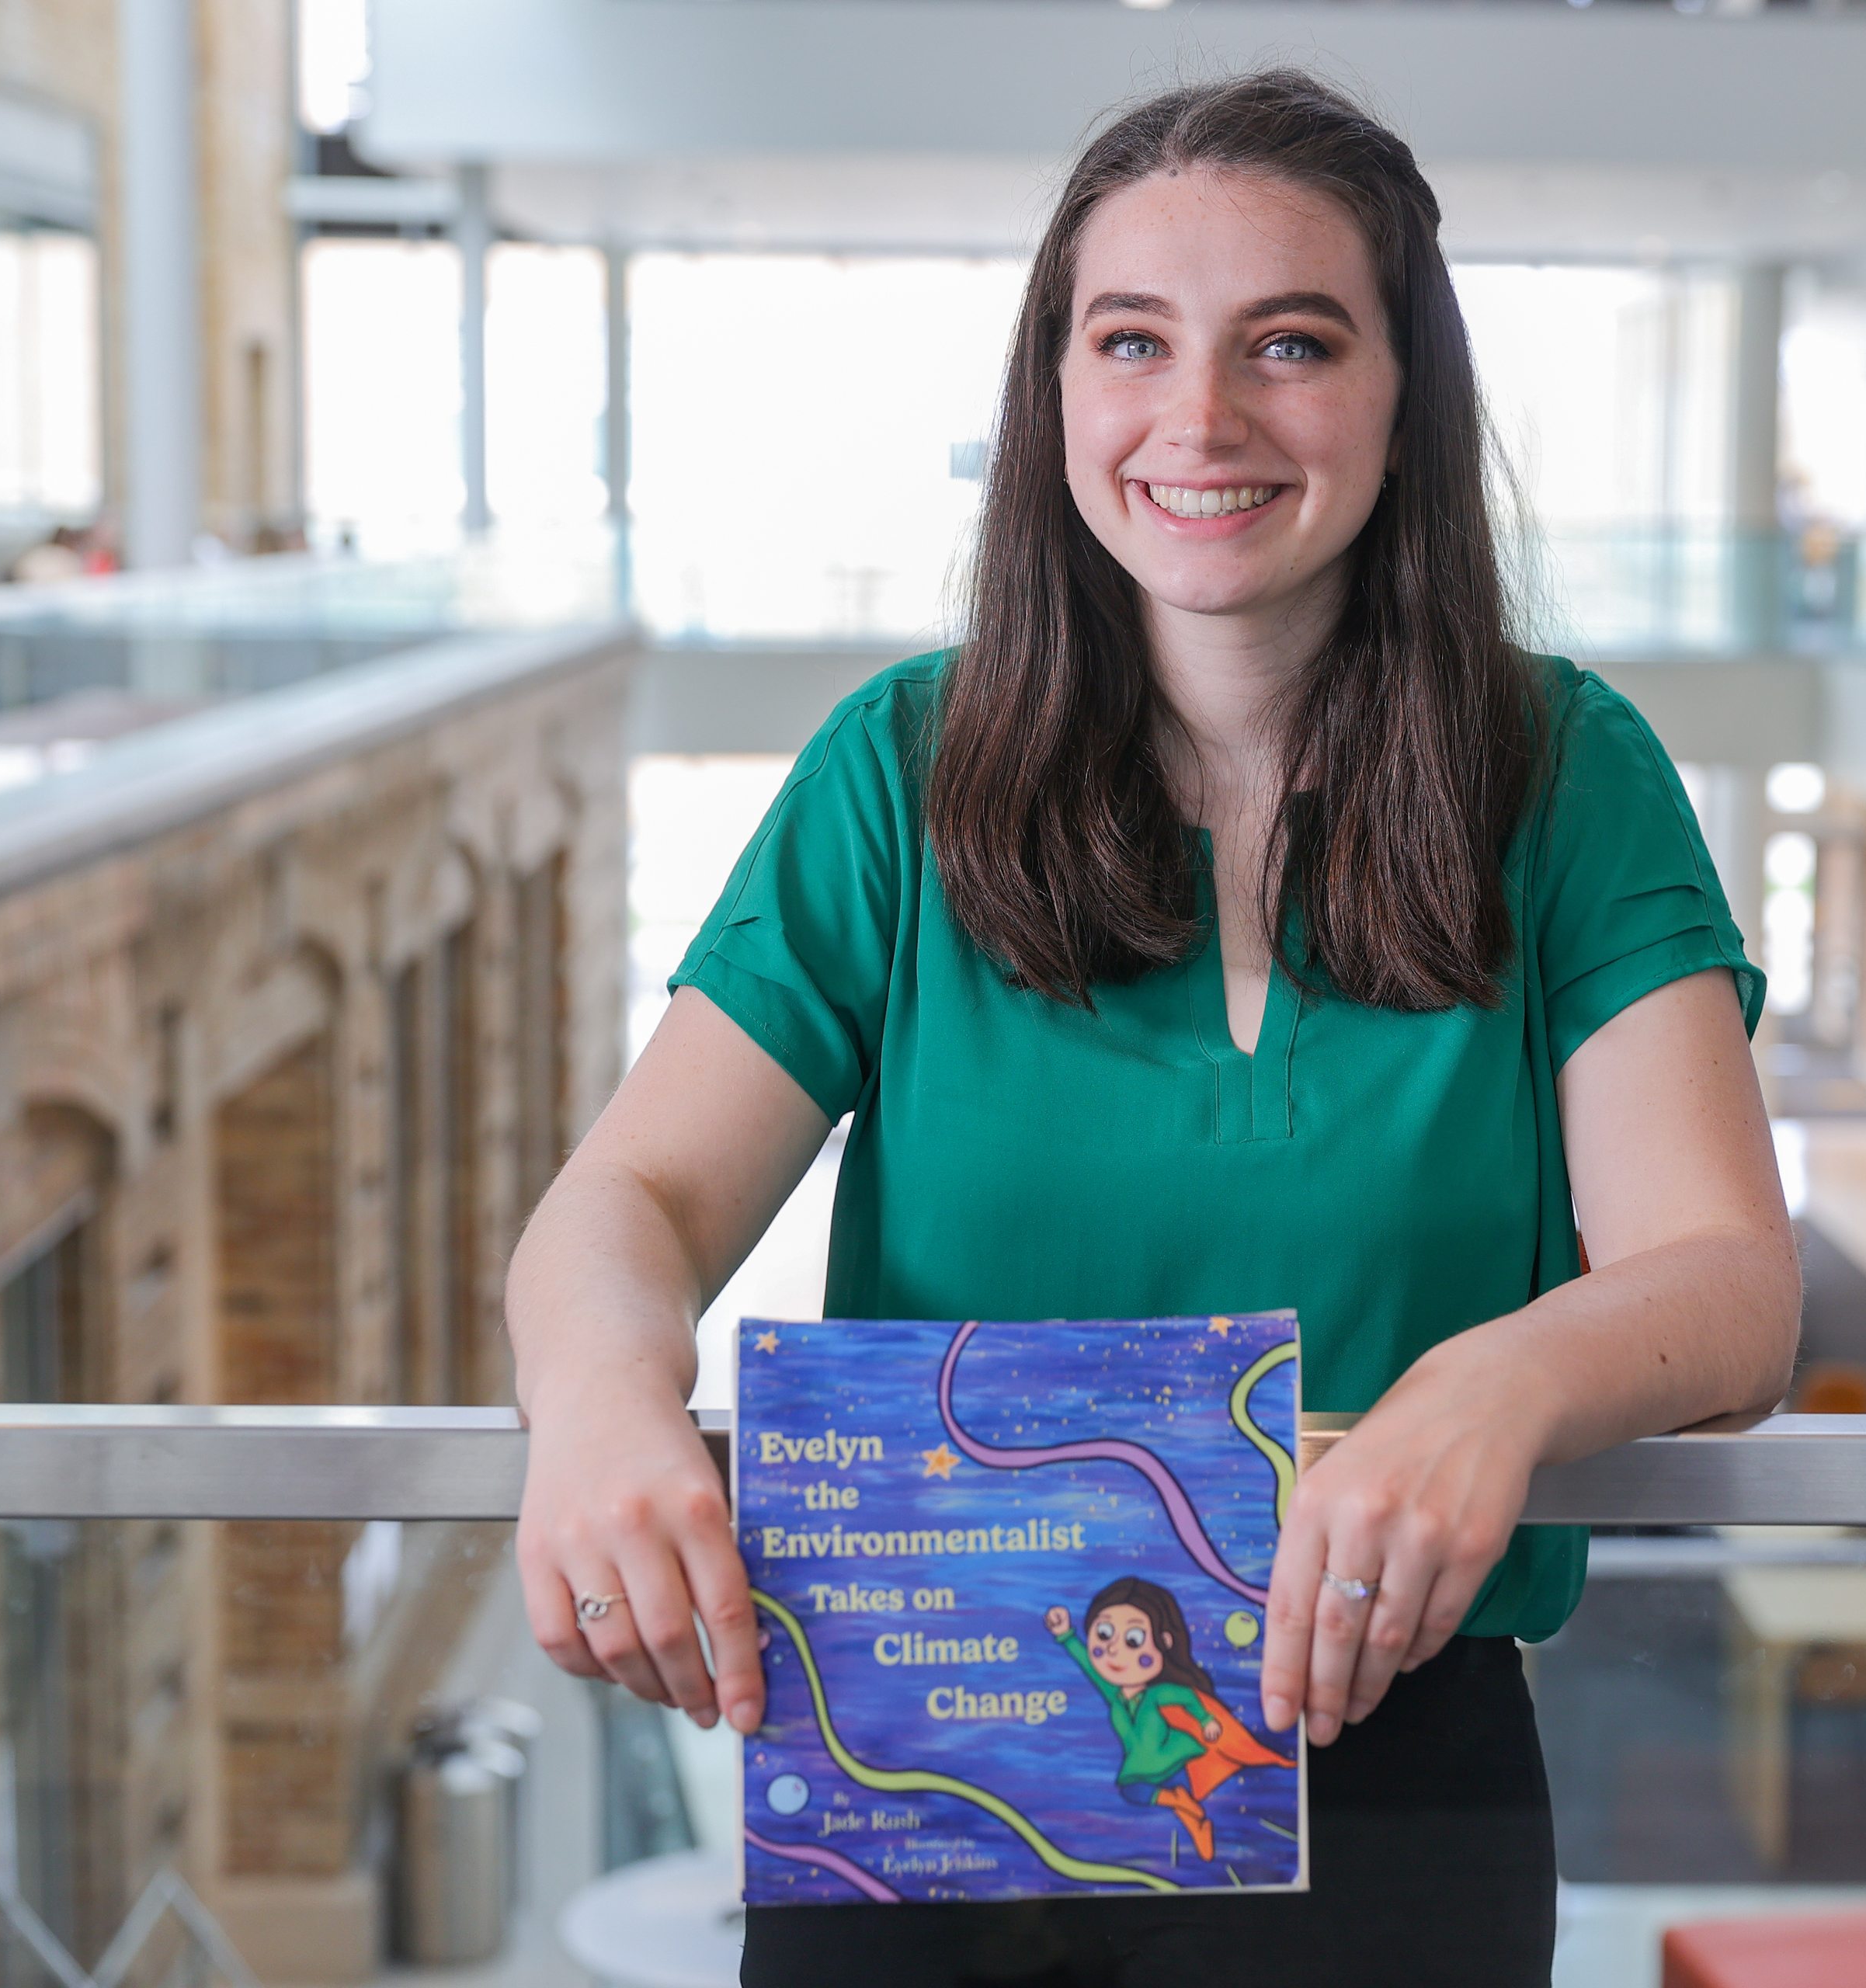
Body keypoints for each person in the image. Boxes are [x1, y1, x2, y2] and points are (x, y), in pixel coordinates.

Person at [504, 68, 1801, 1987]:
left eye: (1291, 343)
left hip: (1388, 1765)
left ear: (1403, 397)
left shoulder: (1566, 771)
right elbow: (632, 1200)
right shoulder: (899, 769)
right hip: (917, 1746)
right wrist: (606, 1396)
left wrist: (1492, 1387)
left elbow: (1728, 1284)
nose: (1200, 418)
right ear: (1055, 394)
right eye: (1131, 341)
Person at [1044, 1578, 1292, 1862]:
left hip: (1171, 1757)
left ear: (1164, 1643)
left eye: (1133, 1640)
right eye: (1104, 1633)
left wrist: (1206, 1720)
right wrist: (1066, 1635)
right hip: (1146, 1764)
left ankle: (1185, 1808)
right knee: (1151, 1794)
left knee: (1137, 1791)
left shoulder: (1158, 1694)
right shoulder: (1116, 1697)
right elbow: (1089, 1667)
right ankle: (1195, 1821)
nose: (1113, 1649)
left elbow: (1188, 1697)